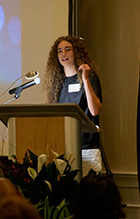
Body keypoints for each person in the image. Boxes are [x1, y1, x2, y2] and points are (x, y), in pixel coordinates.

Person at [43, 36, 102, 172]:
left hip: (87, 148)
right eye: (59, 51)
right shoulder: (57, 83)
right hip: (63, 149)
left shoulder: (90, 78)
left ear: (76, 52)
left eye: (68, 50)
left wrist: (85, 80)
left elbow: (94, 111)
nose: (63, 54)